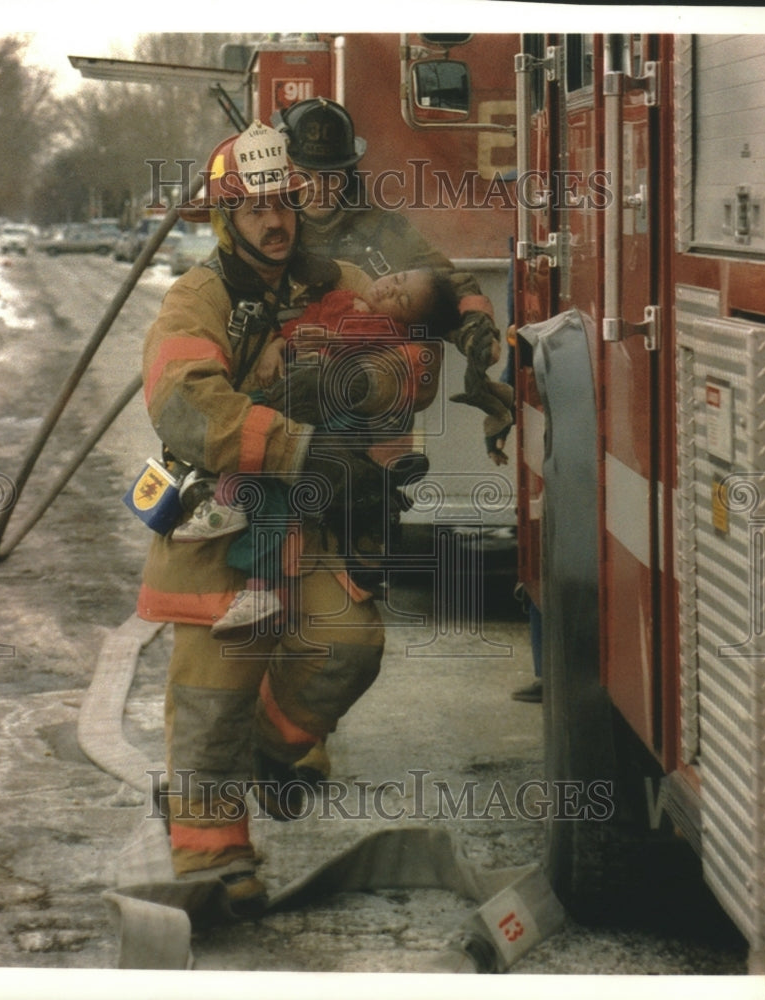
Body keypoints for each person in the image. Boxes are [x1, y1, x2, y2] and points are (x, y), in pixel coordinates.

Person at [137, 121, 438, 909]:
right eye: (253, 208)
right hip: (222, 529)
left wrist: (347, 386)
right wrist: (295, 444)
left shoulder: (332, 281)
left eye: (283, 203)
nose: (274, 221)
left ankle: (271, 755)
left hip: (305, 531)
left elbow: (413, 362)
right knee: (212, 695)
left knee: (348, 644)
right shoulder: (198, 298)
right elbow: (182, 403)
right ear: (224, 218)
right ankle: (210, 864)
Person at [171, 268, 460, 637]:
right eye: (398, 280)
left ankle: (234, 516)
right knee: (255, 439)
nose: (390, 289)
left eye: (402, 300)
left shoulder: (388, 329)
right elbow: (302, 326)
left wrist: (330, 345)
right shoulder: (338, 297)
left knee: (268, 458)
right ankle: (253, 574)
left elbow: (365, 352)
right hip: (290, 398)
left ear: (409, 321)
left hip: (327, 418)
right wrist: (277, 345)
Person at [271, 98, 507, 402]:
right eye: (305, 175)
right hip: (279, 374)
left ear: (349, 172)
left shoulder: (382, 229)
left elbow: (445, 284)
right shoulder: (269, 225)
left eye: (331, 176)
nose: (319, 186)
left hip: (360, 399)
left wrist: (475, 330)